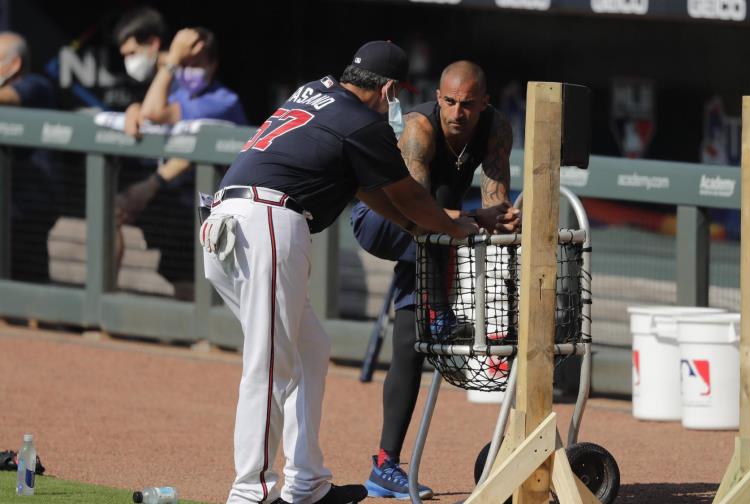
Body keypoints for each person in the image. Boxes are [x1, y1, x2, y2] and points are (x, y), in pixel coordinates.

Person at [202, 41, 478, 504]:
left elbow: (370, 191)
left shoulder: (317, 92)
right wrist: (450, 226)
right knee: (270, 364)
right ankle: (250, 492)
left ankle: (307, 483)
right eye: (396, 94)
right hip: (266, 222)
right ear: (389, 88)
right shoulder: (361, 121)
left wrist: (422, 226)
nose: (397, 103)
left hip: (229, 224)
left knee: (311, 349)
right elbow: (406, 194)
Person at [351, 60, 519, 500]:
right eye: (449, 101)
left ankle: (385, 466)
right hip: (381, 219)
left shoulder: (497, 129)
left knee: (409, 343)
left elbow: (495, 203)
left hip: (434, 230)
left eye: (467, 104)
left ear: (484, 103)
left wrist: (504, 221)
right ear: (438, 97)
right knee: (441, 198)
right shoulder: (418, 129)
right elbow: (414, 213)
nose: (457, 112)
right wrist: (470, 220)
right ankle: (437, 309)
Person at [114, 26, 247, 293]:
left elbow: (154, 112)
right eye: (183, 64)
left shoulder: (224, 101)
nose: (187, 71)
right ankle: (103, 305)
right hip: (174, 197)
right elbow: (149, 111)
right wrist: (133, 108)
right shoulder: (179, 93)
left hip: (216, 209)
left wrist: (172, 59)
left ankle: (199, 332)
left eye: (195, 64)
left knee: (190, 283)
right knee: (112, 212)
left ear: (213, 65)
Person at [0, 31, 60, 283]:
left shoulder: (36, 84)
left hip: (30, 204)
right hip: (10, 202)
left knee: (28, 281)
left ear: (14, 64)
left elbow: (10, 98)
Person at [114, 5, 168, 86]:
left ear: (153, 43)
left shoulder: (186, 76)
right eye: (125, 56)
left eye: (132, 53)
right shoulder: (157, 82)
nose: (128, 61)